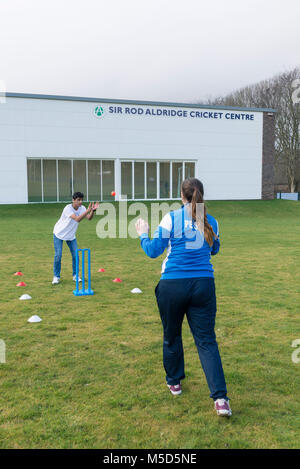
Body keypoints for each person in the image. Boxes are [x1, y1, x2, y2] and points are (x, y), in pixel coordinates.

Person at [135, 178, 232, 417]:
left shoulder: (171, 218)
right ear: (201, 196)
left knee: (171, 336)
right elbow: (214, 249)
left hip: (173, 286)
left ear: (182, 196)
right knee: (207, 341)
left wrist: (142, 234)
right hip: (203, 286)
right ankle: (220, 400)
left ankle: (174, 382)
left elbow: (152, 251)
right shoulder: (213, 222)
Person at [52, 192, 99, 285]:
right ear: (73, 200)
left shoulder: (82, 208)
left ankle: (75, 276)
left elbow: (89, 218)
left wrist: (92, 211)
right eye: (78, 200)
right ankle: (56, 277)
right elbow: (77, 219)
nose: (80, 202)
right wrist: (87, 210)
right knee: (58, 255)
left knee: (75, 256)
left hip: (71, 236)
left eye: (81, 200)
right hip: (59, 234)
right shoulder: (67, 208)